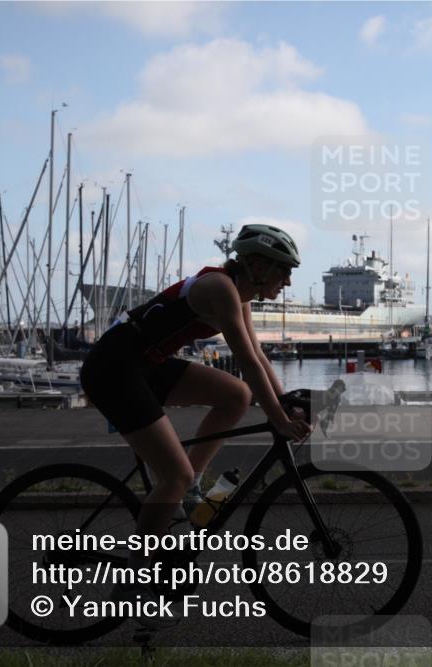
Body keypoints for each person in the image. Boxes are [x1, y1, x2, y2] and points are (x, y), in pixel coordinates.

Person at [79, 224, 312, 586]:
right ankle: (137, 578)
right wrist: (278, 420)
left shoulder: (239, 295)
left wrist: (284, 402)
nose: (288, 281)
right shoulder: (220, 288)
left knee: (236, 395)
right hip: (113, 368)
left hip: (145, 364)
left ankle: (190, 490)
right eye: (284, 270)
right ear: (257, 265)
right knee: (173, 475)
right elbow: (247, 362)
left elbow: (258, 356)